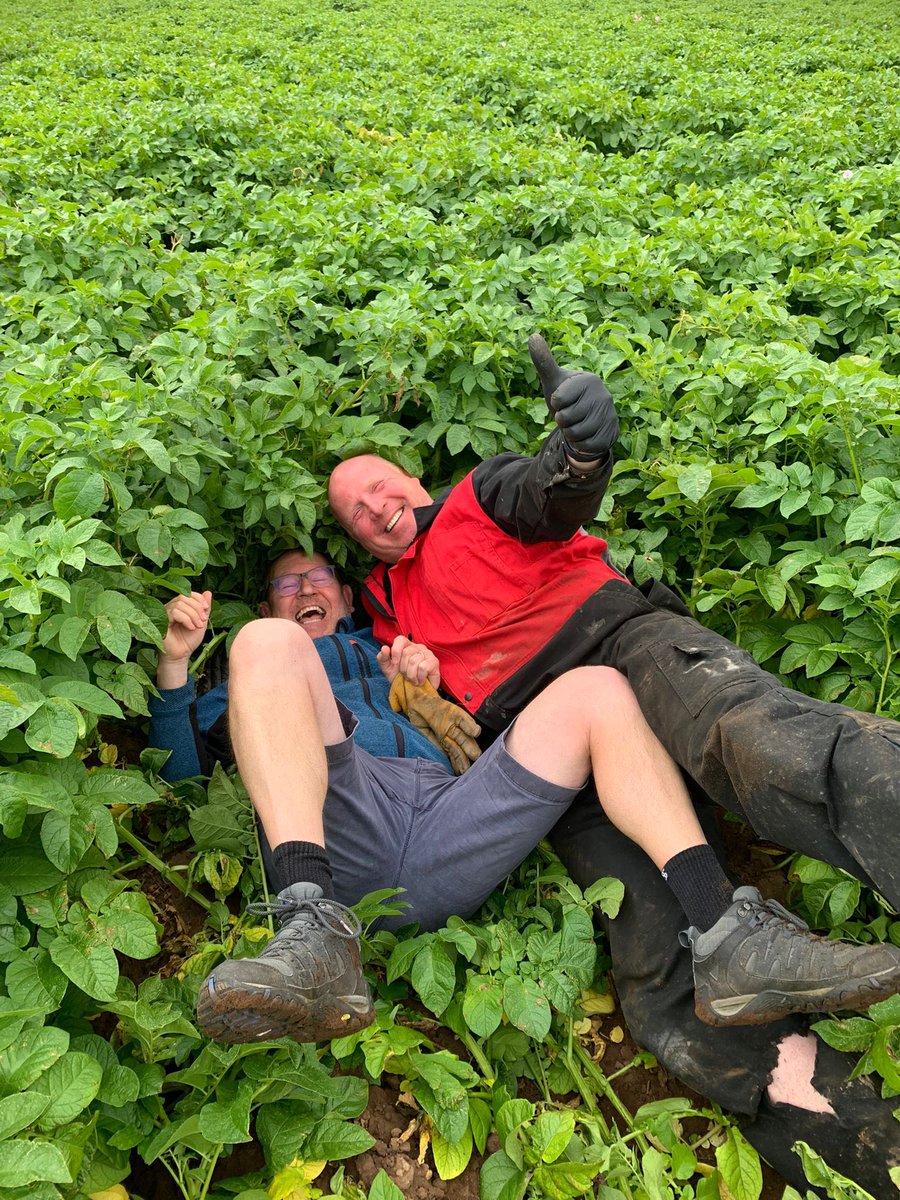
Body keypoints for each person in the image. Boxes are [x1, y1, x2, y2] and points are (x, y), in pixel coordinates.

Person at [327, 337, 900, 1193]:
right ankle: (868, 1142)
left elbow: (547, 493)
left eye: (380, 487)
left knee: (762, 745)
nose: (376, 510)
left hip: (622, 647)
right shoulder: (382, 619)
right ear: (357, 545)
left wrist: (582, 449)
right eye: (355, 515)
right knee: (662, 976)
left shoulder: (479, 499)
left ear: (413, 480)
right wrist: (417, 683)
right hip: (562, 752)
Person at [149, 551, 900, 1045]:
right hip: (339, 818)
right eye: (287, 583)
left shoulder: (391, 652)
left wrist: (425, 685)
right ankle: (309, 927)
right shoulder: (255, 668)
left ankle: (726, 933)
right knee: (264, 644)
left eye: (317, 577)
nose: (305, 589)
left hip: (447, 823)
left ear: (347, 596)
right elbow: (183, 782)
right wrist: (177, 667)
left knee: (598, 689)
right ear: (270, 599)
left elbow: (485, 721)